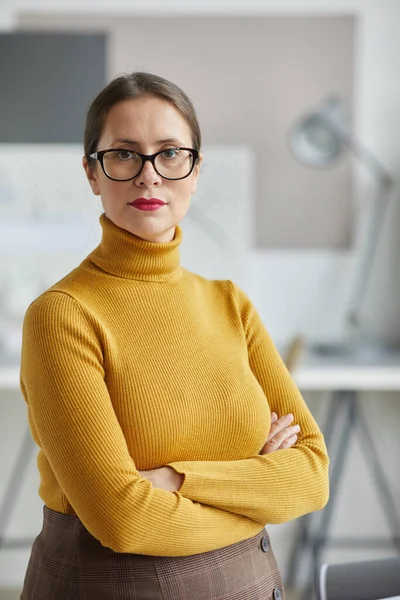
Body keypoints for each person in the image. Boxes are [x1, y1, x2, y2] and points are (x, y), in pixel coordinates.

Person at [19, 71, 329, 600]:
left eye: (170, 153)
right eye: (123, 154)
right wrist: (253, 493)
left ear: (195, 168)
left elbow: (312, 476)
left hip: (255, 586)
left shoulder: (230, 303)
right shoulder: (62, 316)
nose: (149, 176)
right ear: (93, 173)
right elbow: (125, 521)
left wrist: (178, 481)